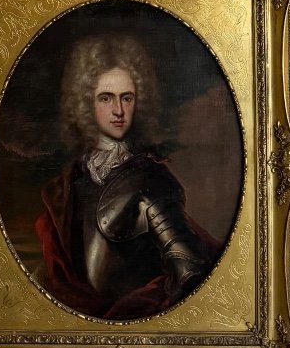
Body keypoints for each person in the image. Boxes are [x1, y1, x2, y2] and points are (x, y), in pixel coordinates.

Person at [33, 33, 219, 319]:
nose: (118, 111)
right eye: (106, 98)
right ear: (85, 103)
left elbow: (189, 269)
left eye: (127, 98)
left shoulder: (150, 180)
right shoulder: (70, 182)